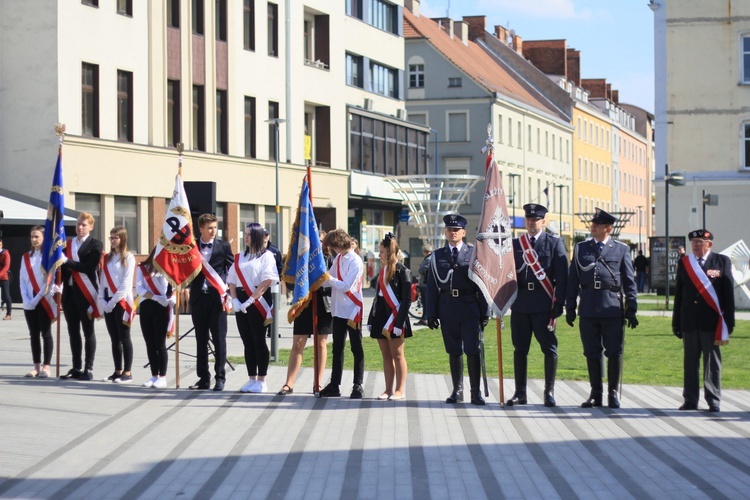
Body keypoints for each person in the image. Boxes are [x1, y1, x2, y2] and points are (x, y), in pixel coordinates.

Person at [565, 208, 638, 409]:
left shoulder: (621, 249)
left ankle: (612, 393)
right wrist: (570, 306)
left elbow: (629, 281)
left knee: (614, 352)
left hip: (612, 308)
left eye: (597, 224)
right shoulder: (581, 248)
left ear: (608, 228)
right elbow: (573, 281)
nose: (592, 227)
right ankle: (596, 393)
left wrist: (631, 307)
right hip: (588, 307)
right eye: (592, 224)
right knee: (591, 352)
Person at [424, 214, 490, 406]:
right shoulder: (437, 256)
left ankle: (475, 392)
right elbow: (431, 287)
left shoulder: (473, 253)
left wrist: (485, 312)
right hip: (447, 308)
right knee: (453, 351)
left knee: (472, 350)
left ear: (463, 232)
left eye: (456, 230)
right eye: (449, 230)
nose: (452, 233)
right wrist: (431, 314)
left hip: (469, 307)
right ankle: (457, 390)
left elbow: (482, 285)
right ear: (445, 232)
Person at [507, 204, 567, 407]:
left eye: (536, 219)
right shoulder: (516, 244)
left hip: (544, 304)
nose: (532, 222)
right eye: (529, 219)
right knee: (519, 350)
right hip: (521, 304)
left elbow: (562, 277)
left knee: (549, 349)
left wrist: (559, 302)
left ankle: (549, 392)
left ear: (544, 221)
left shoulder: (554, 243)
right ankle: (520, 393)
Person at [672, 229, 735, 412]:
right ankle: (690, 399)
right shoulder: (685, 263)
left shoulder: (721, 262)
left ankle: (713, 399)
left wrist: (729, 321)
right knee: (690, 362)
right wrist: (676, 322)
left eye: (700, 242)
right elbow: (679, 295)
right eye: (693, 242)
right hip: (689, 322)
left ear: (709, 244)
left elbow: (728, 294)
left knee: (712, 362)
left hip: (712, 322)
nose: (696, 245)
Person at [277, 231, 333, 396]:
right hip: (304, 303)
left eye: (320, 240)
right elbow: (291, 278)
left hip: (323, 304)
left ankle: (318, 383)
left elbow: (332, 282)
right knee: (298, 342)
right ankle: (289, 383)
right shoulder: (300, 259)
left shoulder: (329, 260)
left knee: (321, 344)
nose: (317, 243)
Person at [227, 223, 279, 393]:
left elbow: (266, 282)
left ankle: (262, 380)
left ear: (257, 236)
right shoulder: (239, 256)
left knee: (258, 340)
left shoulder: (267, 256)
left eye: (249, 234)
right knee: (247, 341)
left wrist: (250, 301)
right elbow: (232, 280)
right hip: (240, 299)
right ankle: (251, 378)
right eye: (245, 233)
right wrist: (234, 300)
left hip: (257, 301)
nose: (246, 237)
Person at [187, 214, 234, 391]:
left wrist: (228, 291)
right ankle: (203, 378)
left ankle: (220, 377)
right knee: (201, 339)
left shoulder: (223, 247)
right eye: (209, 228)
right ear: (201, 229)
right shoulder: (192, 247)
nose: (213, 231)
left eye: (215, 227)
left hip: (217, 299)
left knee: (219, 339)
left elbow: (232, 269)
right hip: (199, 299)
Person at [319, 229, 365, 399]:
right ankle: (335, 384)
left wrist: (327, 279)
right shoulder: (338, 259)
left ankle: (357, 384)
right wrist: (321, 279)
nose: (332, 250)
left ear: (338, 244)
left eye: (332, 246)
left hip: (353, 309)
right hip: (338, 310)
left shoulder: (355, 261)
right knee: (337, 348)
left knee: (356, 347)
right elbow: (329, 277)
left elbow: (345, 286)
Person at [367, 233, 412, 400]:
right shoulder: (382, 271)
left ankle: (400, 390)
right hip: (381, 316)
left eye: (382, 252)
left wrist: (399, 323)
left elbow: (407, 300)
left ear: (390, 252)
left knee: (397, 354)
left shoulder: (403, 271)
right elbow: (378, 297)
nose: (379, 255)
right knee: (385, 354)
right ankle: (388, 389)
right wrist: (372, 319)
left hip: (395, 317)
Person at [60, 212, 104, 381]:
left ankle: (88, 368)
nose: (80, 227)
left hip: (86, 294)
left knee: (88, 331)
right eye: (78, 224)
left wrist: (67, 261)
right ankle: (76, 366)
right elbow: (63, 268)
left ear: (91, 227)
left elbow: (87, 267)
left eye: (84, 225)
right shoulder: (68, 244)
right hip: (69, 293)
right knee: (73, 332)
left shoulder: (95, 245)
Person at [99, 226, 136, 384]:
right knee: (114, 338)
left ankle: (127, 372)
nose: (112, 240)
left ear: (122, 239)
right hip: (108, 300)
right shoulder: (107, 257)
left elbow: (126, 284)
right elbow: (102, 280)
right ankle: (117, 370)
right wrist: (102, 299)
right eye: (111, 238)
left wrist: (113, 301)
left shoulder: (128, 257)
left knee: (124, 337)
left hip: (122, 301)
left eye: (115, 238)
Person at [19, 226, 56, 378]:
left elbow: (49, 280)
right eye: (32, 237)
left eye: (37, 237)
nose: (34, 240)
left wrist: (36, 298)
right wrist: (26, 299)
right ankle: (36, 366)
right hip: (29, 300)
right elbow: (22, 278)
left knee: (45, 333)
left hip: (43, 298)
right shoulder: (26, 256)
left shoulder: (48, 257)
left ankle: (46, 366)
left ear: (43, 238)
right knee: (33, 334)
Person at [136, 247, 175, 389]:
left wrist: (172, 298)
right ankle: (154, 375)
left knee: (160, 343)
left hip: (161, 309)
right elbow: (140, 289)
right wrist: (155, 297)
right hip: (147, 307)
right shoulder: (142, 268)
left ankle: (163, 376)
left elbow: (173, 289)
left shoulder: (169, 270)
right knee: (150, 343)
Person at [263, 227, 283, 338]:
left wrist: (278, 278)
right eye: (263, 235)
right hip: (260, 284)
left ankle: (272, 331)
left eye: (266, 235)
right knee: (263, 307)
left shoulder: (274, 250)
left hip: (272, 285)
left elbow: (280, 266)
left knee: (273, 307)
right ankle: (264, 328)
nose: (265, 237)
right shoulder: (256, 249)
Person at [414, 244, 433, 326]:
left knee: (425, 303)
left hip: (426, 284)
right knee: (425, 302)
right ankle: (424, 318)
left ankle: (425, 318)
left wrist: (419, 268)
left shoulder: (428, 259)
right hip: (426, 284)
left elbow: (421, 270)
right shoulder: (431, 258)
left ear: (424, 252)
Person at [0, 237, 12, 320]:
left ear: (1, 244)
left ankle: (8, 314)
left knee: (6, 296)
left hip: (4, 277)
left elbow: (7, 266)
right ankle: (2, 303)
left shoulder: (5, 253)